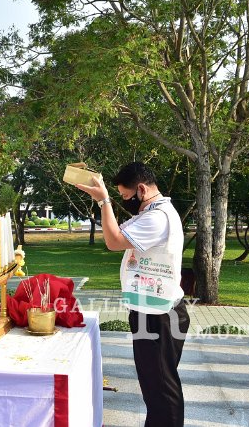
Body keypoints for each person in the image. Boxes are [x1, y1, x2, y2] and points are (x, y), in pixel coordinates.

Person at [76, 162, 187, 426]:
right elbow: (118, 232)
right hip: (151, 309)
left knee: (161, 387)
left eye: (125, 196)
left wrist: (104, 202)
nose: (123, 201)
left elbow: (113, 241)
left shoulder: (157, 218)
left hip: (158, 314)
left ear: (141, 189)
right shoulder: (152, 212)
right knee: (154, 385)